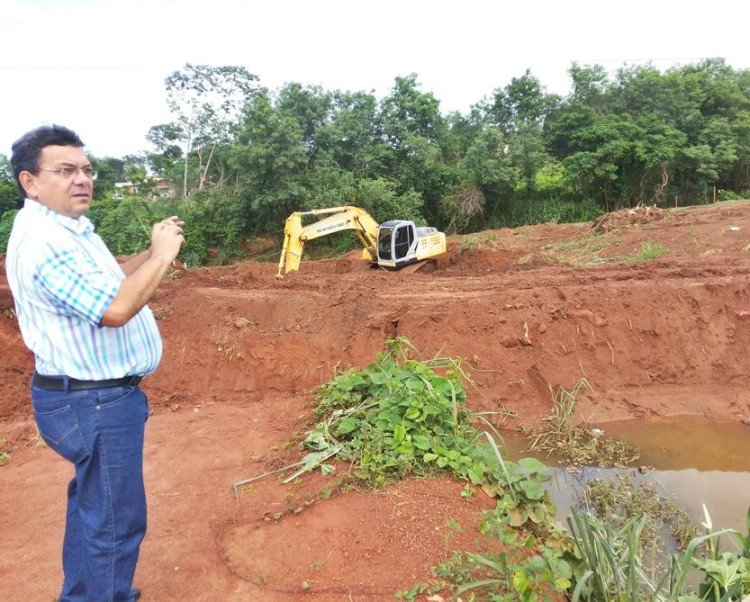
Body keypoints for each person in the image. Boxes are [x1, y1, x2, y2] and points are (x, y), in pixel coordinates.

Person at [5, 124, 185, 601]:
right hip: (95, 402)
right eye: (65, 170)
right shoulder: (48, 243)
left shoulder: (67, 229)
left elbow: (109, 280)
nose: (81, 179)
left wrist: (149, 251)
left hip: (88, 398)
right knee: (114, 520)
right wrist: (164, 257)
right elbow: (115, 309)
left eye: (86, 169)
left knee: (94, 507)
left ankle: (85, 594)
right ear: (30, 181)